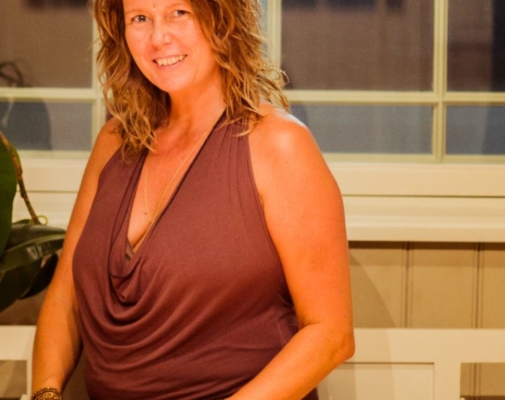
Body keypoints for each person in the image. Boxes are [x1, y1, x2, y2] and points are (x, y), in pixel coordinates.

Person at [31, 0, 353, 398]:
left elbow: (330, 334)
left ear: (222, 18)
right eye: (139, 18)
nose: (158, 37)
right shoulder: (113, 142)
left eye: (179, 13)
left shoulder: (279, 145)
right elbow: (66, 298)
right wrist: (46, 393)